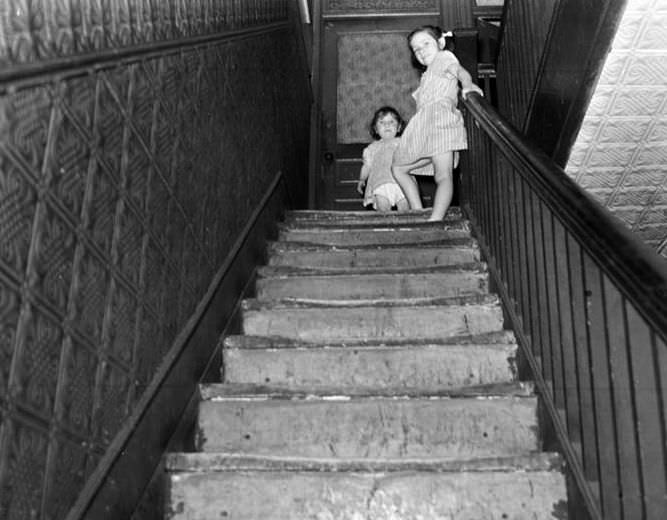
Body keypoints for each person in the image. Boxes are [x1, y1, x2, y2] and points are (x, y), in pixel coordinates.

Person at [391, 25, 484, 221]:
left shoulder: (444, 58)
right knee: (398, 168)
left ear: (440, 43)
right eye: (416, 49)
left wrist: (467, 85)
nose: (421, 50)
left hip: (441, 121)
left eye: (426, 43)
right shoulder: (426, 74)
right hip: (425, 126)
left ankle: (435, 220)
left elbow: (460, 71)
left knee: (442, 176)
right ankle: (418, 212)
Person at [357, 106, 410, 212]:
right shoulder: (372, 148)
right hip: (380, 182)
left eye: (391, 122)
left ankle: (405, 228)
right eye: (382, 122)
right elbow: (367, 166)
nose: (387, 125)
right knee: (383, 209)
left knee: (405, 209)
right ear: (376, 129)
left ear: (399, 127)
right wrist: (362, 179)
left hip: (402, 181)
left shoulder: (403, 142)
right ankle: (387, 228)